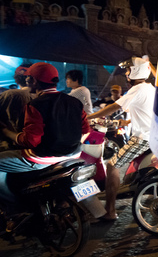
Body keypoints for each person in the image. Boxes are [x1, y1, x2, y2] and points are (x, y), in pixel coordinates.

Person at [0, 63, 91, 209]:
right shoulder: (74, 102)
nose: (27, 81)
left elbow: (30, 141)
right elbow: (86, 131)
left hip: (41, 158)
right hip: (73, 155)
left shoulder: (35, 105)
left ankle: (13, 207)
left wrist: (6, 132)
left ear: (34, 81)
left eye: (28, 78)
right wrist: (69, 145)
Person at [87, 57, 155, 220]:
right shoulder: (149, 88)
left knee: (112, 165)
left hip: (142, 138)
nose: (126, 73)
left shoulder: (138, 88)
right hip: (149, 134)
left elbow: (114, 106)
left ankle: (110, 211)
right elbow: (142, 112)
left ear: (137, 71)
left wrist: (89, 117)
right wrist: (123, 122)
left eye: (128, 70)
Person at [0, 65, 34, 150]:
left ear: (16, 79)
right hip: (34, 145)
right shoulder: (42, 96)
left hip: (14, 144)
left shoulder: (10, 95)